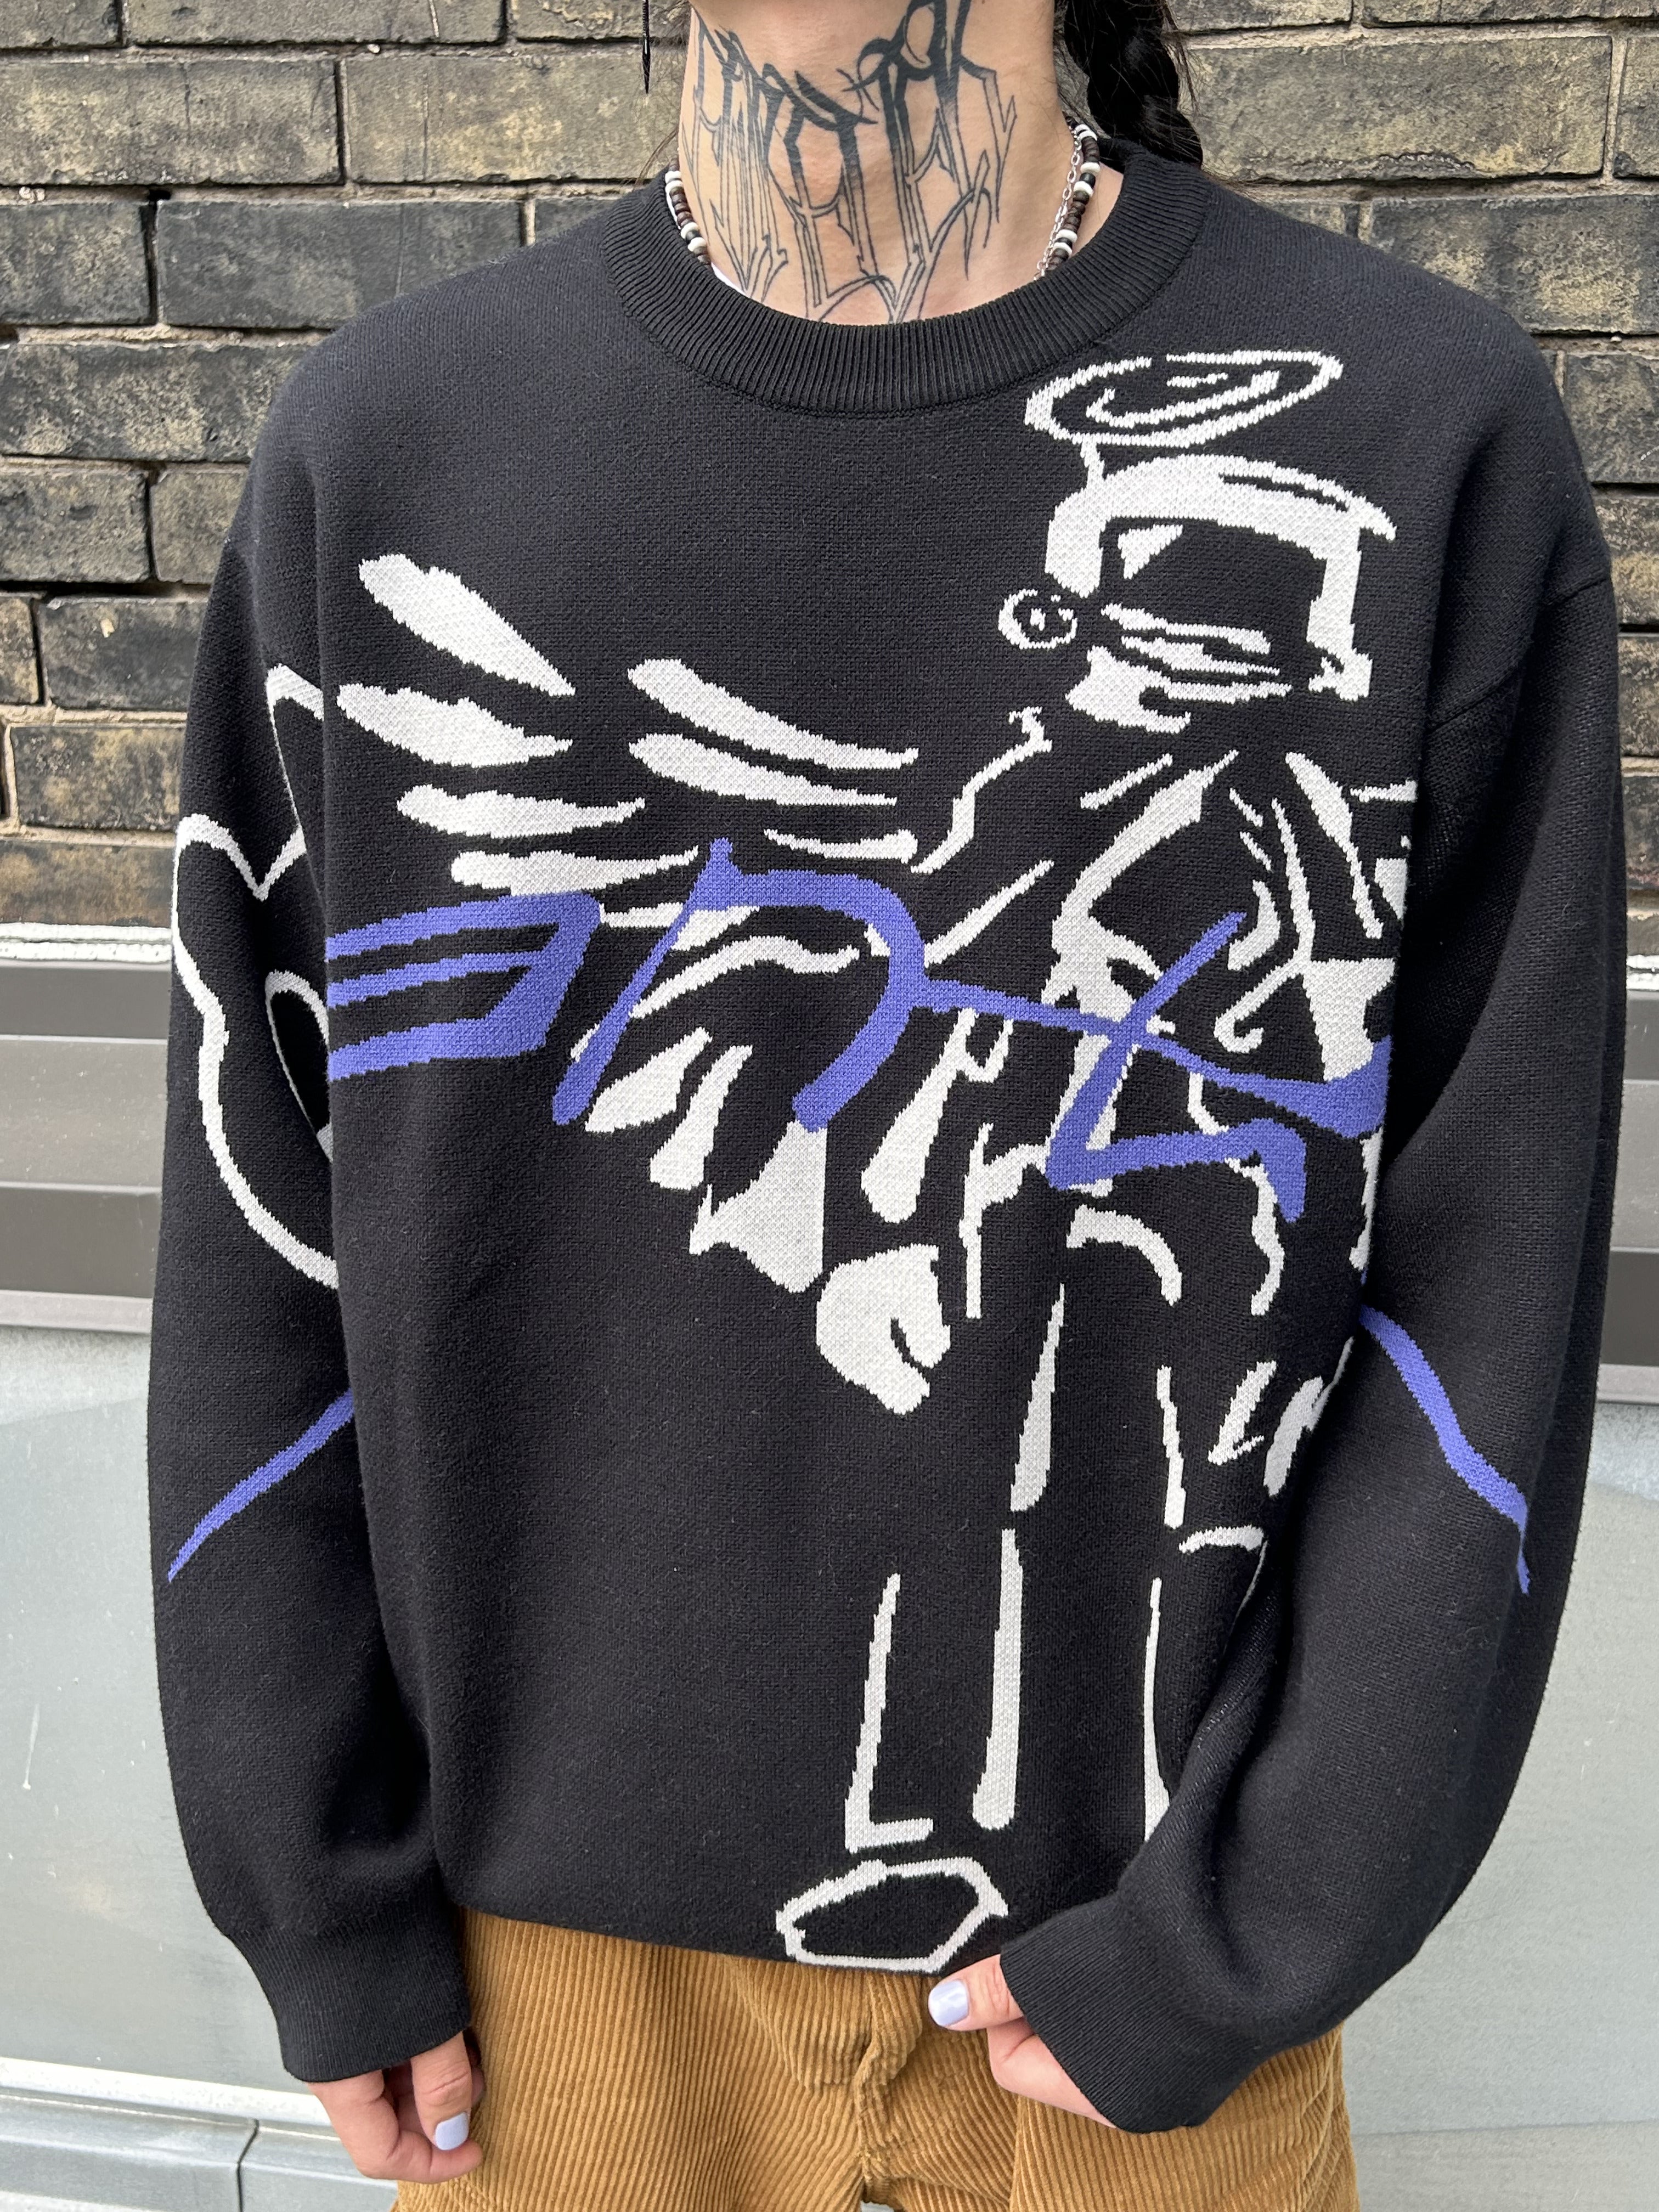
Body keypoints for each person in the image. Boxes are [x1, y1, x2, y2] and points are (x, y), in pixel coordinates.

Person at [146, 0, 1624, 2205]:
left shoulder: (1424, 430)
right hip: (544, 1994)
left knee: (1058, 1424)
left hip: (1147, 2013)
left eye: (1196, 673)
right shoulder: (396, 445)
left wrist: (1253, 1920)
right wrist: (321, 1885)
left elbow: (1487, 1269)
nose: (1139, 700)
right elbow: (264, 1221)